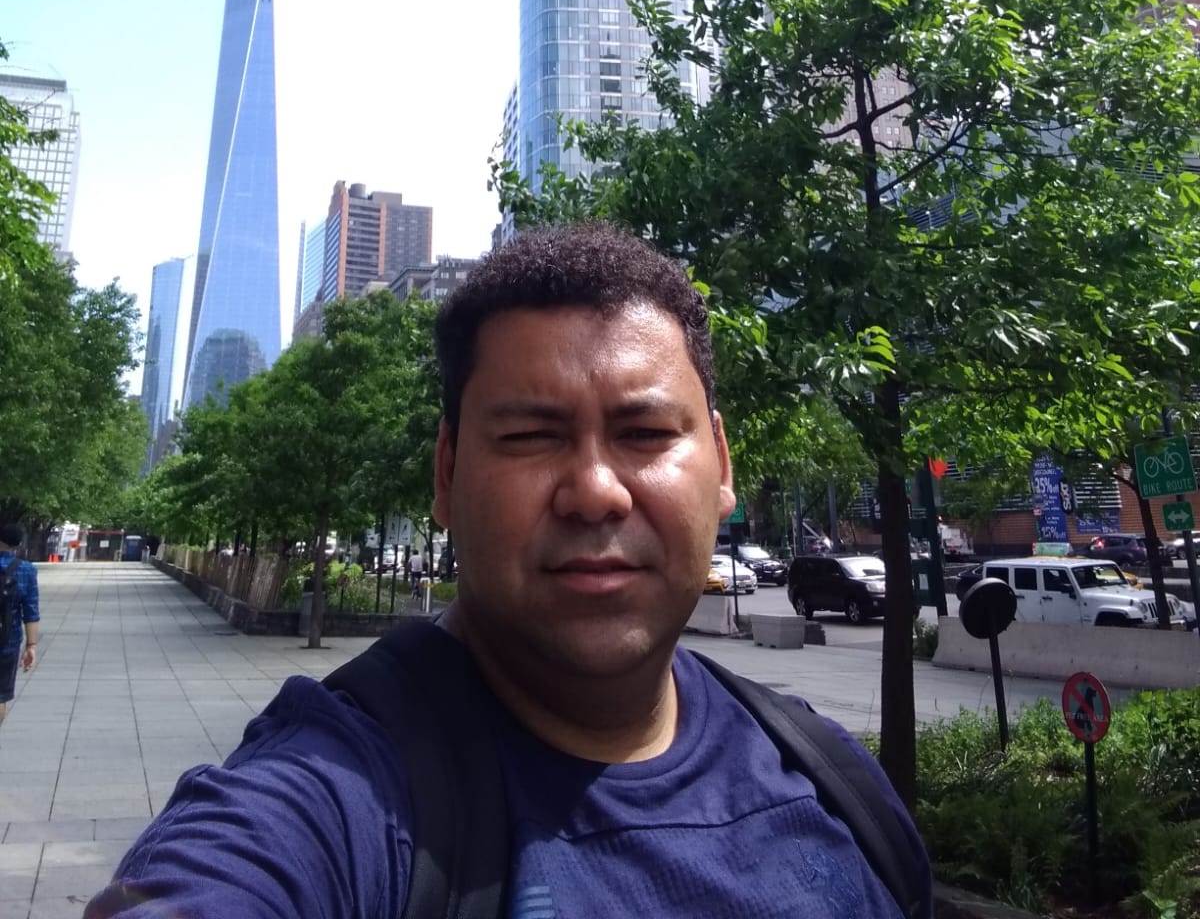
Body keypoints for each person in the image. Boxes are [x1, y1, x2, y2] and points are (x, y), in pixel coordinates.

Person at [85, 222, 930, 918]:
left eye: (645, 434)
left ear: (722, 464)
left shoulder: (834, 782)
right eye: (530, 437)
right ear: (447, 474)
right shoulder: (334, 798)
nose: (595, 491)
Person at [0, 522, 40, 727]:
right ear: (17, 544)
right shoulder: (27, 570)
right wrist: (31, 646)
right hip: (7, 641)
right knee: (0, 695)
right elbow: (31, 612)